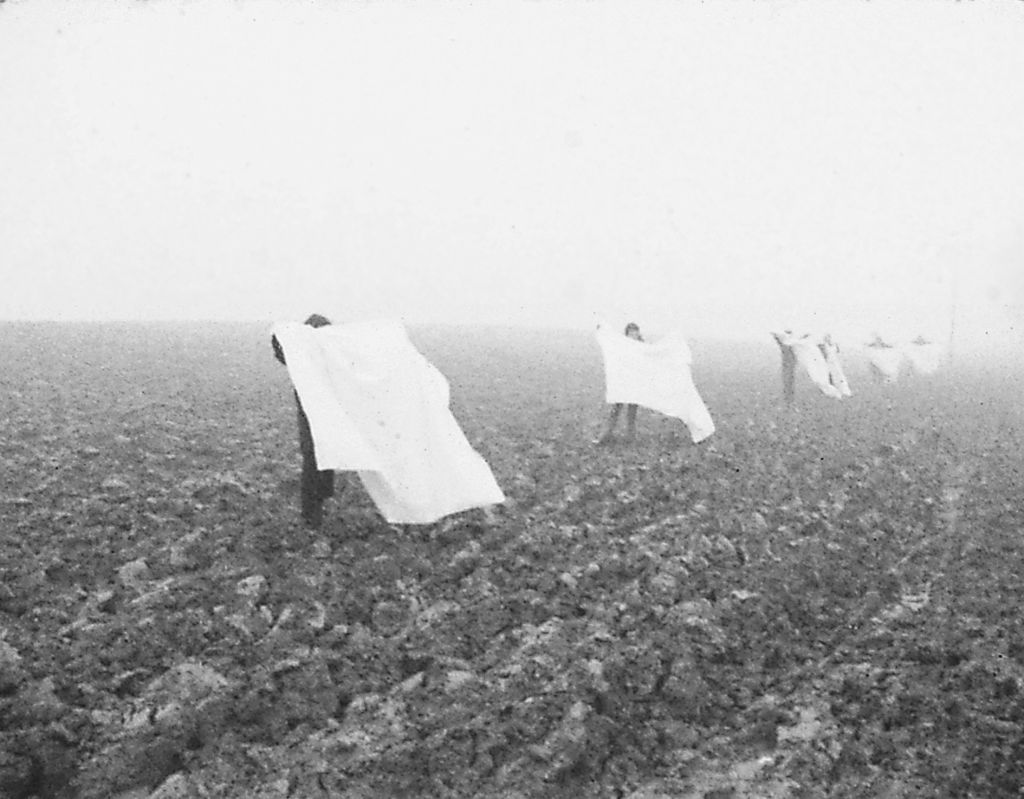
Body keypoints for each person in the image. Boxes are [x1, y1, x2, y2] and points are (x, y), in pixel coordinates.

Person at [271, 313, 336, 529]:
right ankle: (312, 513)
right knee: (314, 459)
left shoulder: (327, 357)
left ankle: (319, 505)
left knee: (321, 459)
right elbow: (280, 347)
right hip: (312, 417)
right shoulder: (303, 358)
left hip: (322, 417)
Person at [595, 322, 644, 444]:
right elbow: (611, 344)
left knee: (631, 414)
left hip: (635, 385)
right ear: (627, 334)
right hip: (622, 384)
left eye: (635, 332)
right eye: (631, 332)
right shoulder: (622, 345)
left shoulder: (643, 347)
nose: (633, 335)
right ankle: (606, 436)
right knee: (615, 411)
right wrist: (602, 331)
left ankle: (630, 438)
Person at [771, 329, 797, 404]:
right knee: (788, 381)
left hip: (788, 364)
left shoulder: (788, 344)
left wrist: (775, 336)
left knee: (788, 381)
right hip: (788, 364)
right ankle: (789, 398)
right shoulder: (788, 344)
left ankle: (789, 398)